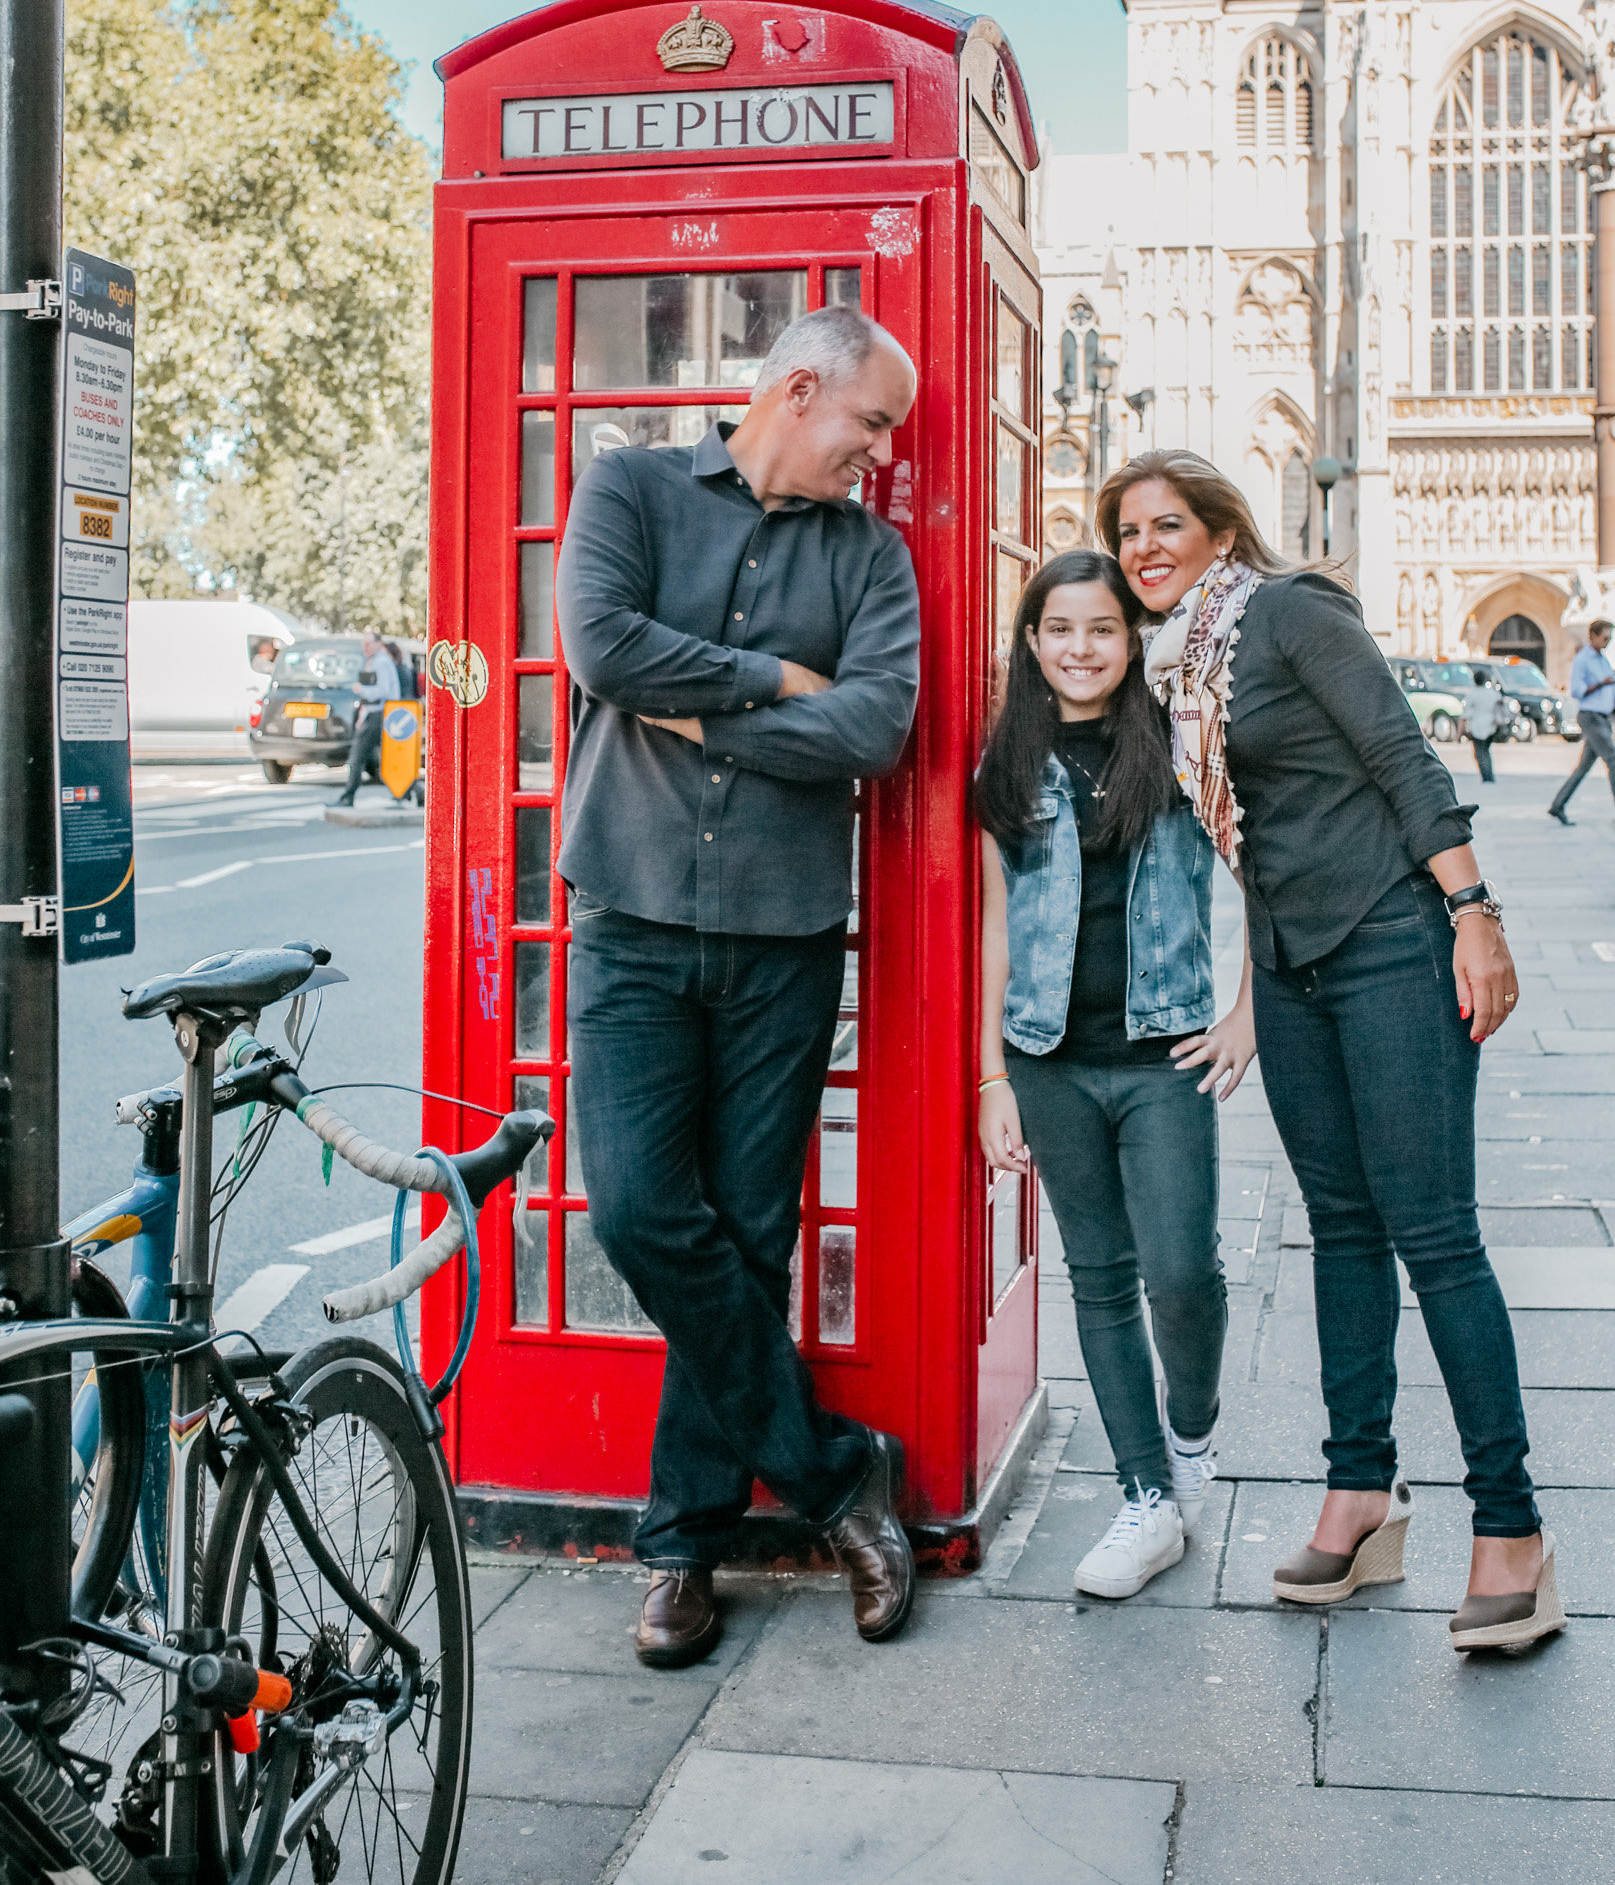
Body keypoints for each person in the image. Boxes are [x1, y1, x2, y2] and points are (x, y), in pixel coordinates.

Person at [1102, 451, 1563, 1655]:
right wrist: (1258, 984)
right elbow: (1255, 839)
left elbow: (1400, 760)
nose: (1145, 545)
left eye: (1166, 524)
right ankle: (1359, 1495)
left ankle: (1511, 1531)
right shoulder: (1176, 672)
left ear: (1216, 531)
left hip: (1394, 942)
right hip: (1298, 971)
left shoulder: (1290, 612)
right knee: (1340, 1229)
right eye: (1127, 533)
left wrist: (1474, 915)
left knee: (1432, 1234)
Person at [555, 302, 922, 1669]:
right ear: (796, 388)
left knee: (752, 1235)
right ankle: (837, 1475)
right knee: (647, 1214)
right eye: (867, 424)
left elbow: (875, 724)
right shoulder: (630, 489)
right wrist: (773, 680)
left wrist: (701, 707)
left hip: (780, 932)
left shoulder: (870, 556)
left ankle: (682, 1548)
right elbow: (603, 649)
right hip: (632, 915)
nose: (876, 455)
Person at [974, 551, 1251, 1600]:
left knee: (1180, 1272)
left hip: (1161, 1052)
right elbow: (993, 925)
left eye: (1100, 629)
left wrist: (1243, 1015)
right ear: (1032, 643)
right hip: (1047, 1057)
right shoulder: (1009, 757)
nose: (1080, 648)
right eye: (1058, 630)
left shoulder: (1180, 749)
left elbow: (1265, 867)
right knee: (1095, 1277)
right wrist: (988, 1076)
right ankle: (1143, 1494)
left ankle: (1189, 1434)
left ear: (1130, 640)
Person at [1549, 618, 1615, 826]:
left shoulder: (1603, 659)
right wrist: (1601, 684)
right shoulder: (1583, 659)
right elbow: (1578, 691)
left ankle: (1558, 805)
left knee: (1583, 767)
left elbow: (1612, 688)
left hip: (1603, 716)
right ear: (1593, 636)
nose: (1607, 642)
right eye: (1605, 638)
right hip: (1590, 716)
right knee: (1614, 760)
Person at [336, 632, 400, 805]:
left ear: (379, 644)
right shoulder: (376, 661)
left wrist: (360, 690)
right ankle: (411, 790)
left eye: (369, 644)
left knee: (357, 756)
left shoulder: (380, 662)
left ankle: (348, 797)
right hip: (376, 713)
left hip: (378, 714)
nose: (365, 648)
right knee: (387, 756)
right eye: (363, 644)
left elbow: (382, 691)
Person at [1464, 668, 1509, 785]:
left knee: (1479, 752)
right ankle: (1489, 774)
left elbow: (1465, 713)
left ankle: (1486, 775)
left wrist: (1461, 730)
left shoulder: (1473, 695)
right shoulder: (1492, 693)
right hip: (1491, 725)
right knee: (1486, 751)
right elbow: (1501, 703)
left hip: (1476, 726)